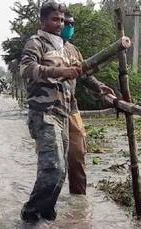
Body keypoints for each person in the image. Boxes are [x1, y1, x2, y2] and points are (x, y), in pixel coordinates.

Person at [19, 1, 83, 222]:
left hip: (63, 114)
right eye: (55, 19)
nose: (60, 24)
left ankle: (45, 211)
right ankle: (30, 214)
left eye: (62, 20)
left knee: (62, 170)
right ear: (43, 21)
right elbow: (27, 69)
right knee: (53, 167)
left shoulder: (63, 48)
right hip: (44, 113)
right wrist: (60, 71)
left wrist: (101, 88)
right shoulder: (36, 42)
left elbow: (81, 69)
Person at [62, 13, 115, 195]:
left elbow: (84, 74)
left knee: (77, 154)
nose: (68, 27)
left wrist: (101, 87)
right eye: (65, 23)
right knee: (51, 163)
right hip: (49, 110)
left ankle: (78, 202)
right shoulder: (43, 47)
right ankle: (44, 208)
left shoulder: (73, 50)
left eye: (71, 24)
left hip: (71, 107)